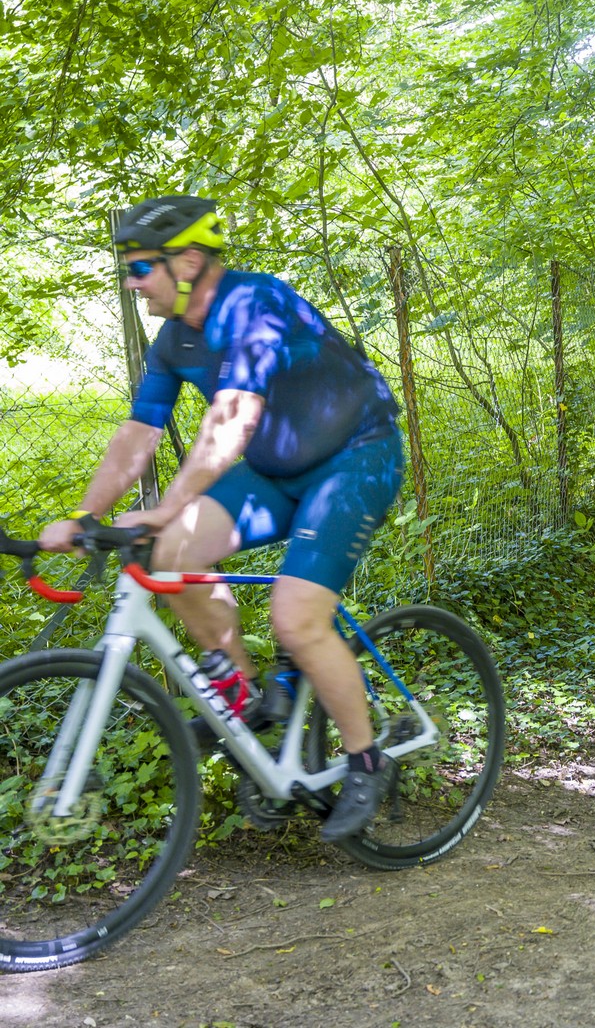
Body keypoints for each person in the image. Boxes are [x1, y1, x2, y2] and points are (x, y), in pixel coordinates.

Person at [38, 195, 406, 842]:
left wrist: (168, 505)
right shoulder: (174, 340)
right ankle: (246, 696)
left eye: (140, 267)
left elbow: (233, 415)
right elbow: (139, 432)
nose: (132, 283)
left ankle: (367, 760)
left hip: (355, 459)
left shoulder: (254, 302)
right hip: (274, 471)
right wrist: (85, 514)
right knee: (169, 554)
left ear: (187, 262)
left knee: (296, 617)